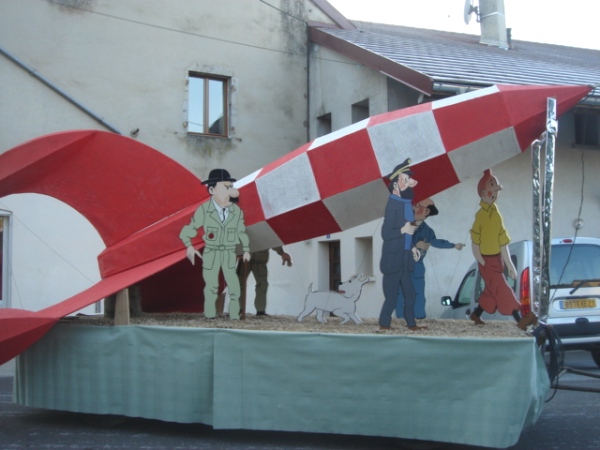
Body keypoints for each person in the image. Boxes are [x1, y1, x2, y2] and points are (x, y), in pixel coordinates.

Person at [469, 169, 537, 329]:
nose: (494, 194)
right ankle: (521, 318)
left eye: (495, 191)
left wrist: (509, 264)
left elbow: (502, 241)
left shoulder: (496, 213)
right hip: (486, 260)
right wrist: (480, 260)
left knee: (491, 291)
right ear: (483, 193)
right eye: (491, 190)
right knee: (502, 288)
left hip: (496, 259)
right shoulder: (481, 216)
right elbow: (475, 240)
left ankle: (476, 314)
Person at [179, 168, 250, 320]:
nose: (229, 190)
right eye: (225, 187)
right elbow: (188, 230)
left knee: (234, 287)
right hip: (211, 252)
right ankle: (210, 316)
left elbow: (241, 232)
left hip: (229, 252)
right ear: (212, 189)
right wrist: (189, 246)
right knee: (211, 287)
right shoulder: (204, 210)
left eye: (230, 187)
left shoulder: (236, 211)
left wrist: (246, 250)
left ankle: (234, 316)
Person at [396, 198, 464, 319]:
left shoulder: (427, 231)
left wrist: (454, 245)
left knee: (419, 294)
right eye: (416, 205)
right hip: (402, 266)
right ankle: (400, 319)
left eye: (421, 208)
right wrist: (416, 246)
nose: (417, 209)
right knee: (401, 294)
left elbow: (437, 242)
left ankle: (419, 318)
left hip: (417, 268)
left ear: (427, 212)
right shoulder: (403, 225)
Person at [378, 158, 426, 331]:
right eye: (405, 181)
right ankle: (384, 324)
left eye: (408, 180)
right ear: (396, 185)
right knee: (391, 296)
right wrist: (402, 230)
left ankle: (411, 323)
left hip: (406, 257)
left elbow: (409, 231)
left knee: (410, 294)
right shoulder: (393, 205)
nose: (409, 184)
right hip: (393, 259)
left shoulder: (407, 204)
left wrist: (413, 248)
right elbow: (386, 233)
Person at [238, 247, 292, 316]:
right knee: (239, 284)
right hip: (244, 260)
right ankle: (238, 308)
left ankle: (260, 311)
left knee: (262, 284)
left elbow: (271, 240)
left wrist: (282, 253)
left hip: (260, 261)